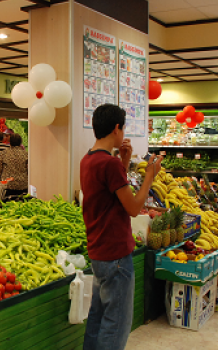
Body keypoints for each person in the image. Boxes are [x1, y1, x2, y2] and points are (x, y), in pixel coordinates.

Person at [80, 104, 162, 350]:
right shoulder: (109, 164)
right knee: (116, 325)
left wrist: (124, 161)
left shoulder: (89, 159)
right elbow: (134, 208)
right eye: (123, 127)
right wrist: (150, 175)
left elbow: (110, 193)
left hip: (99, 251)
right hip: (116, 254)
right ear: (116, 128)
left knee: (97, 318)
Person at [0, 133, 28, 199]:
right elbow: (29, 169)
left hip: (8, 185)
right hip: (22, 185)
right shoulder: (25, 154)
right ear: (20, 142)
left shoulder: (4, 153)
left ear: (10, 142)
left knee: (7, 205)